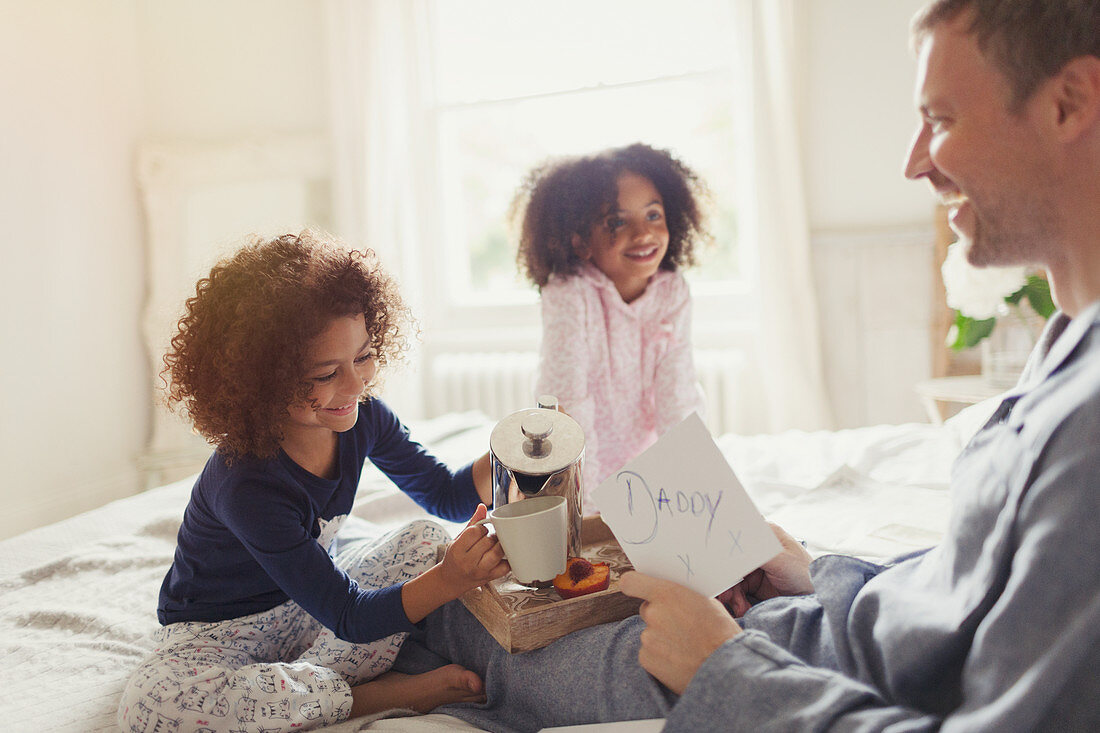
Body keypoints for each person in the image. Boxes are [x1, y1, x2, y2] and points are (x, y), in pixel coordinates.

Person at [399, 1, 1100, 730]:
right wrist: (826, 576)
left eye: (943, 119)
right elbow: (973, 589)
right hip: (824, 631)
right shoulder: (1070, 344)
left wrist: (723, 672)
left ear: (1069, 103)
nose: (914, 159)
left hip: (768, 670)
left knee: (454, 612)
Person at [117, 231, 509, 732]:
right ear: (262, 379)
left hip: (310, 610)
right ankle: (366, 697)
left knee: (427, 540)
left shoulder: (363, 417)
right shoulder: (245, 484)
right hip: (220, 634)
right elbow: (350, 615)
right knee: (149, 707)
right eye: (325, 374)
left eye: (362, 358)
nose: (354, 386)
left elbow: (445, 496)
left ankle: (306, 693)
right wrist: (452, 580)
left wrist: (513, 454)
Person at [512, 143, 709, 510]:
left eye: (653, 215)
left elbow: (678, 400)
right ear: (580, 240)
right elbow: (568, 406)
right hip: (577, 470)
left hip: (646, 469)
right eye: (617, 222)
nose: (643, 233)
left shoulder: (672, 290)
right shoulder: (569, 293)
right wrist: (584, 506)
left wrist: (692, 491)